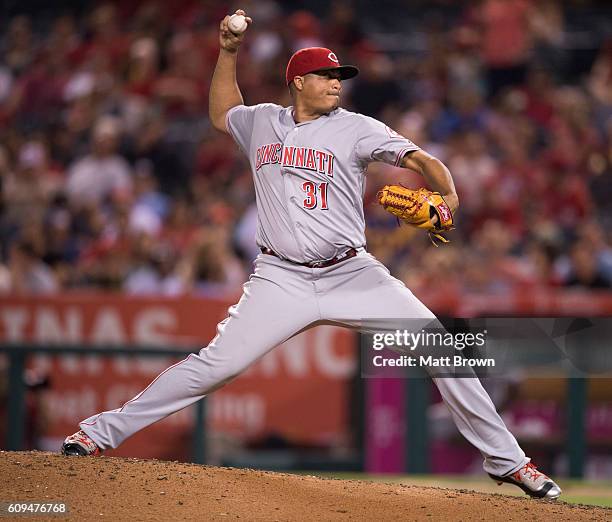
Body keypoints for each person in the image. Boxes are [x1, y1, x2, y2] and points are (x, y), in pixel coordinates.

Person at [61, 9, 561, 500]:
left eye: (340, 76)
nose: (337, 83)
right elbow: (220, 113)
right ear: (298, 81)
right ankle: (97, 434)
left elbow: (423, 160)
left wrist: (447, 198)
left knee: (438, 347)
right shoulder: (261, 123)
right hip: (280, 278)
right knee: (215, 367)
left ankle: (510, 462)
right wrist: (228, 52)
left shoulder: (357, 127)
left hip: (352, 274)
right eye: (327, 75)